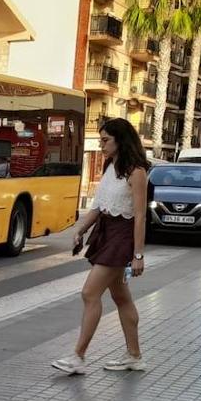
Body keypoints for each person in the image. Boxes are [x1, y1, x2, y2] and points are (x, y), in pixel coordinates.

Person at [53, 119, 148, 375]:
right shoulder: (110, 166)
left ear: (121, 140)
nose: (101, 144)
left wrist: (138, 255)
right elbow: (98, 205)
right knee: (121, 297)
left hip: (121, 236)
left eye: (105, 140)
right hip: (105, 232)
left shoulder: (137, 172)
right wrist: (80, 230)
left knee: (89, 293)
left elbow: (140, 216)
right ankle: (134, 356)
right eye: (101, 140)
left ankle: (78, 356)